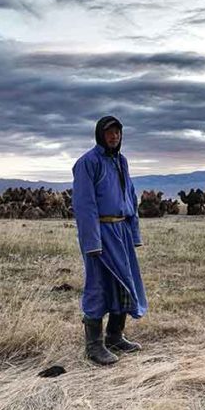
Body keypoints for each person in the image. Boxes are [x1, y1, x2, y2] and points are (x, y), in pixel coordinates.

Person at [71, 115, 148, 365]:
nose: (113, 136)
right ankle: (94, 346)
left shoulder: (121, 161)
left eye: (117, 132)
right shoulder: (87, 163)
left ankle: (115, 336)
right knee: (98, 284)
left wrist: (133, 233)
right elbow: (85, 205)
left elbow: (130, 196)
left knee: (124, 282)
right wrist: (92, 242)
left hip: (121, 231)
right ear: (99, 135)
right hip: (101, 232)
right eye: (108, 132)